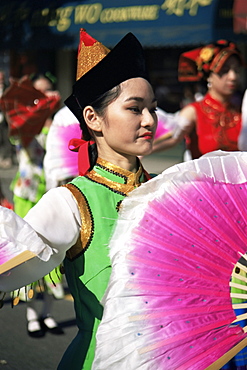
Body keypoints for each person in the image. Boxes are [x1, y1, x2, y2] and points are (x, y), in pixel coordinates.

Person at [0, 29, 157, 369]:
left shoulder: (170, 189)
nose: (149, 120)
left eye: (152, 108)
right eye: (135, 108)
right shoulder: (72, 202)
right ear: (92, 118)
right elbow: (10, 263)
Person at [0, 74, 64, 338]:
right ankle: (30, 315)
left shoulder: (59, 128)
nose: (43, 100)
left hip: (52, 195)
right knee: (30, 256)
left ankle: (47, 313)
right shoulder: (21, 128)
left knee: (54, 256)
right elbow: (21, 138)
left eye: (47, 93)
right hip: (26, 197)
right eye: (37, 96)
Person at [152, 40, 245, 159]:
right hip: (203, 176)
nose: (233, 77)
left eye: (236, 70)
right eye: (224, 71)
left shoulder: (241, 111)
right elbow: (172, 139)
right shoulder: (194, 111)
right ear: (209, 76)